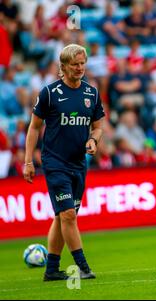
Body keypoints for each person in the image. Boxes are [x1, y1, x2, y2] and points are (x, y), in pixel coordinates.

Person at [23, 44, 104, 281]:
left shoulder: (91, 93)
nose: (80, 68)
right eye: (74, 64)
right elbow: (34, 128)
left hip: (79, 164)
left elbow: (98, 127)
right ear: (64, 66)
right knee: (68, 214)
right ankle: (82, 267)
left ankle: (51, 270)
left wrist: (93, 140)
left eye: (82, 64)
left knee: (62, 217)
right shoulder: (49, 93)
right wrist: (28, 162)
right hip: (55, 162)